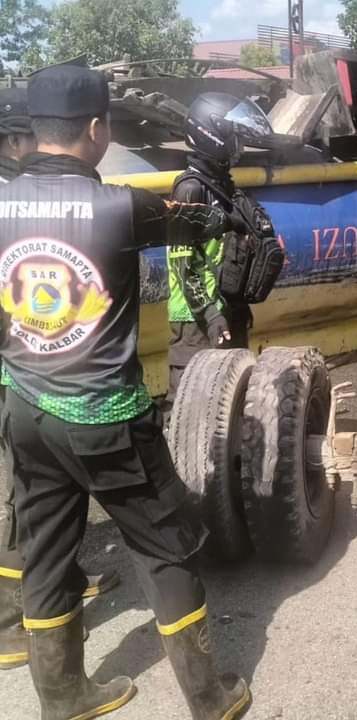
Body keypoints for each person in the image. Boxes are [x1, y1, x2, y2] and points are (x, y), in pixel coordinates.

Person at [0, 65, 251, 719]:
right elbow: (196, 224)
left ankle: (63, 698)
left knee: (48, 551)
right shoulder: (120, 206)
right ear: (94, 129)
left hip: (25, 409)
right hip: (104, 417)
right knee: (166, 546)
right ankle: (209, 696)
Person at [0, 87, 118, 673]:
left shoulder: (11, 197)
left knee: (39, 517)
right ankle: (7, 626)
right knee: (20, 508)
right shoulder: (107, 204)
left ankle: (53, 664)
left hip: (21, 386)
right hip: (56, 392)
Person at [166, 93, 255, 408]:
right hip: (195, 321)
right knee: (192, 406)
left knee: (232, 404)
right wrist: (210, 313)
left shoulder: (224, 186)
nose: (239, 146)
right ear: (211, 134)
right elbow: (181, 261)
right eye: (234, 136)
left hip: (227, 311)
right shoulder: (190, 189)